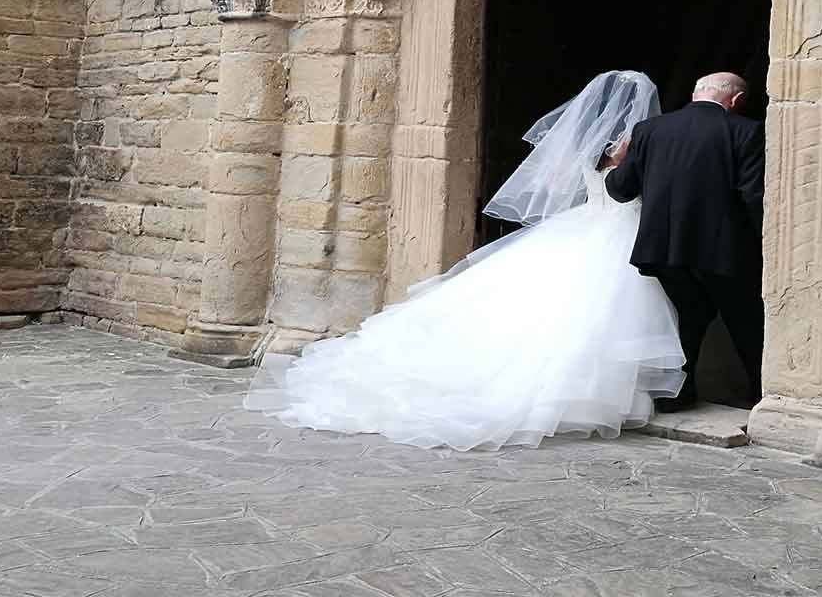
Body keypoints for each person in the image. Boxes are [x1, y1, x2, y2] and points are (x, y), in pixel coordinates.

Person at [243, 70, 686, 450]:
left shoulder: (585, 147)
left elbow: (555, 185)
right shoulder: (631, 147)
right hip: (615, 231)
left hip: (580, 227)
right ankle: (578, 395)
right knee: (599, 313)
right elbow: (625, 190)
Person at [604, 71, 764, 412]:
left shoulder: (649, 130)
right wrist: (763, 240)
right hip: (723, 249)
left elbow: (621, 190)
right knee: (745, 320)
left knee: (684, 317)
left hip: (661, 249)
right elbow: (752, 195)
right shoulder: (746, 131)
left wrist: (618, 165)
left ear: (696, 93)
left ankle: (676, 393)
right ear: (735, 100)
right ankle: (761, 393)